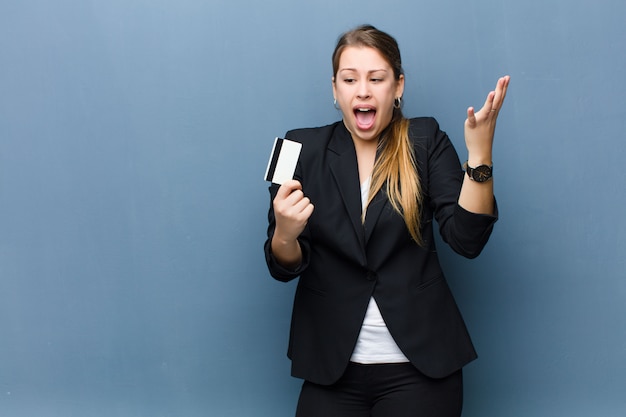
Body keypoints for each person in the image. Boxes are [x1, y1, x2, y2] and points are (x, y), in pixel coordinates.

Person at [264, 24, 510, 417]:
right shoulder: (293, 147)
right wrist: (286, 234)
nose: (363, 90)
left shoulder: (426, 138)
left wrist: (480, 155)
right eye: (349, 79)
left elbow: (467, 240)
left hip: (422, 369)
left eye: (376, 78)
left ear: (397, 87)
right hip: (331, 368)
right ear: (334, 89)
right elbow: (280, 265)